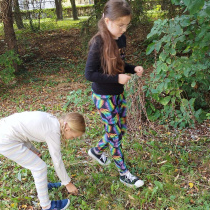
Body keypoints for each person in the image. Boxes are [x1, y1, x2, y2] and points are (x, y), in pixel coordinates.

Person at [85, 0, 144, 188]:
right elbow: (90, 74)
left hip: (118, 93)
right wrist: (116, 79)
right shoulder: (98, 42)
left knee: (121, 129)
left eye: (127, 25)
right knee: (115, 135)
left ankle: (96, 150)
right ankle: (123, 173)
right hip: (103, 97)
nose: (124, 29)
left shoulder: (120, 39)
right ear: (107, 21)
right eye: (120, 25)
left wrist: (133, 68)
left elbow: (119, 64)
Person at [0, 111, 85, 210]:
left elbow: (23, 130)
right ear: (67, 128)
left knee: (37, 163)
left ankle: (44, 186)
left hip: (3, 131)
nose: (72, 139)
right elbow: (57, 161)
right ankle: (47, 206)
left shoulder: (53, 121)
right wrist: (67, 183)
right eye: (73, 136)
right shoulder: (53, 132)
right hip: (4, 140)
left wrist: (32, 149)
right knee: (39, 167)